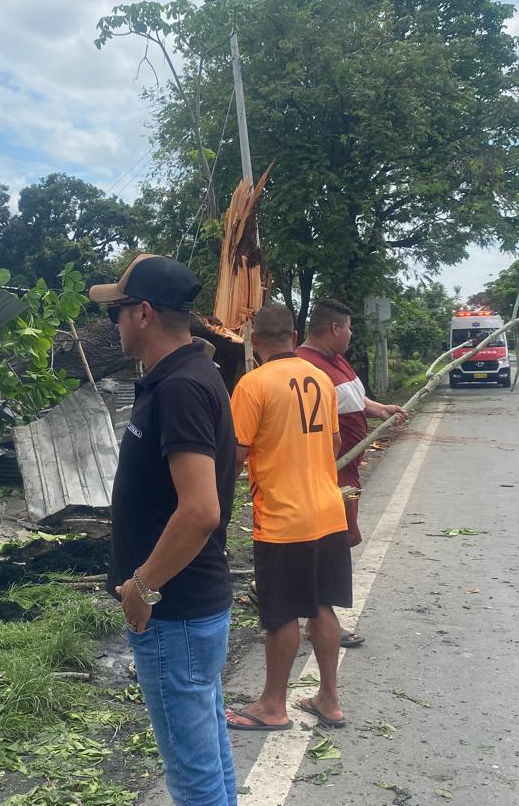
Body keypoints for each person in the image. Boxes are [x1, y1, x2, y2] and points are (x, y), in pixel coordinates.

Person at [92, 254, 239, 806]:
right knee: (209, 752)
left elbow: (200, 510)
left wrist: (142, 585)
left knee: (192, 772)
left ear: (144, 313)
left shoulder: (181, 386)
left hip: (173, 612)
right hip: (187, 608)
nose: (114, 322)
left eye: (118, 311)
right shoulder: (184, 376)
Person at [226, 304, 352, 732]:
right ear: (294, 336)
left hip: (283, 520)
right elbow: (334, 444)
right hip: (328, 512)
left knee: (281, 614)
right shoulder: (321, 379)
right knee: (321, 606)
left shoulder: (252, 384)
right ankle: (329, 699)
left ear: (254, 340)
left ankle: (272, 706)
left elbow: (236, 455)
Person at [296, 298, 406, 648]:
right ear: (334, 328)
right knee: (329, 546)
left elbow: (355, 400)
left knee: (339, 541)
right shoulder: (305, 367)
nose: (351, 333)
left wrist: (379, 408)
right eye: (348, 327)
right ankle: (319, 621)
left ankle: (276, 590)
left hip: (348, 471)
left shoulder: (337, 360)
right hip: (328, 475)